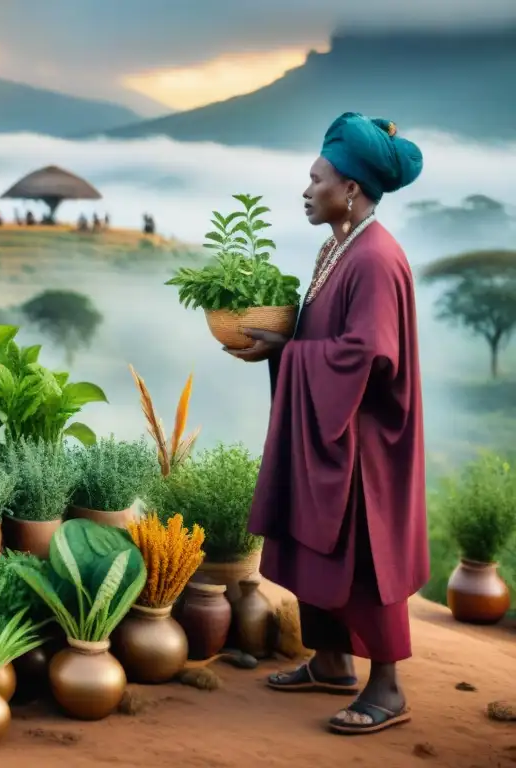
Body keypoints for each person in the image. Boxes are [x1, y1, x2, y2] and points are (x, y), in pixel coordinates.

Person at [227, 113, 427, 736]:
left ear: (352, 189)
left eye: (318, 178)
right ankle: (333, 660)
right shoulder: (337, 245)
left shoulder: (374, 258)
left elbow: (364, 354)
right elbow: (328, 336)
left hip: (365, 441)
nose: (307, 188)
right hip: (331, 424)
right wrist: (282, 341)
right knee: (320, 541)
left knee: (366, 554)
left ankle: (388, 687)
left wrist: (286, 355)